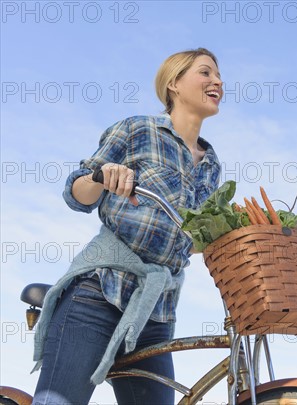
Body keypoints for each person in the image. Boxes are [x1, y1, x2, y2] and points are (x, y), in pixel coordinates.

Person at [31, 47, 223, 405]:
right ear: (175, 84)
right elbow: (76, 194)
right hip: (99, 293)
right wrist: (102, 177)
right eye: (206, 72)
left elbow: (195, 239)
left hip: (155, 311)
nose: (217, 81)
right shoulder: (138, 130)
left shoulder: (211, 165)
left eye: (218, 75)